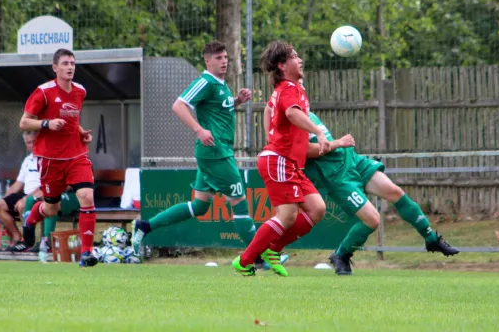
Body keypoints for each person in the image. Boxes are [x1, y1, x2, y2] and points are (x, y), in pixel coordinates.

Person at [262, 104, 459, 275]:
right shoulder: (286, 118)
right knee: (372, 220)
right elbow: (303, 151)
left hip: (351, 160)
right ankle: (341, 254)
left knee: (395, 192)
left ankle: (431, 238)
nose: (299, 85)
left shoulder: (301, 106)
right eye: (294, 59)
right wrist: (338, 142)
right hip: (336, 176)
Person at [130, 41, 257, 258]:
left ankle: (144, 226)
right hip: (216, 154)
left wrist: (237, 100)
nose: (224, 61)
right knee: (240, 204)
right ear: (207, 61)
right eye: (218, 58)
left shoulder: (220, 84)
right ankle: (259, 256)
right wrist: (199, 129)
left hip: (216, 151)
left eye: (225, 57)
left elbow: (216, 110)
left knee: (199, 206)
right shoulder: (205, 82)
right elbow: (178, 105)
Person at [231, 41, 331, 277]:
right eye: (294, 57)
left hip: (289, 162)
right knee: (287, 216)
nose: (300, 60)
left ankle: (273, 248)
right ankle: (246, 261)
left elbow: (268, 109)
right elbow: (291, 113)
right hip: (280, 161)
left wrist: (270, 136)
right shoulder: (288, 88)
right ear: (282, 65)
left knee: (317, 208)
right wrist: (318, 131)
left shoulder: (289, 88)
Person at [19, 48, 97, 267]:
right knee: (51, 208)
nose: (70, 67)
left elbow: (72, 120)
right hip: (51, 160)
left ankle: (87, 253)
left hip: (77, 155)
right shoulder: (43, 92)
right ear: (55, 68)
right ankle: (31, 218)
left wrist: (80, 132)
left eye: (72, 63)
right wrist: (47, 123)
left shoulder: (80, 90)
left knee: (87, 196)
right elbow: (24, 123)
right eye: (65, 63)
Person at [0, 131, 41, 250]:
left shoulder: (47, 159)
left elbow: (46, 185)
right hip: (25, 194)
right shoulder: (27, 160)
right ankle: (19, 238)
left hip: (41, 195)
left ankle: (28, 243)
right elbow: (18, 184)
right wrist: (4, 199)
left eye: (34, 142)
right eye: (29, 143)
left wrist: (25, 198)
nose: (32, 145)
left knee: (22, 205)